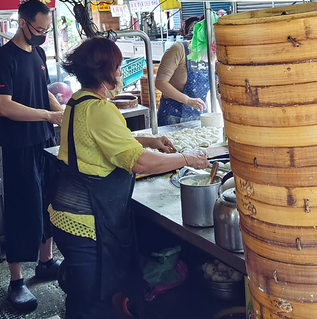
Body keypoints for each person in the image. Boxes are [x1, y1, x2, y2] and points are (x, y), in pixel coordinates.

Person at [50, 37, 209, 319]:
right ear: (104, 72)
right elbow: (139, 163)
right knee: (93, 301)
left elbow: (100, 141)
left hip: (66, 214)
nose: (122, 74)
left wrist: (149, 140)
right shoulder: (101, 110)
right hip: (85, 221)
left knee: (81, 293)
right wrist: (189, 159)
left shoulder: (77, 101)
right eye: (119, 68)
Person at [0, 0, 66, 313]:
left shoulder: (39, 53)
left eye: (47, 29)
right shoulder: (4, 59)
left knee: (48, 201)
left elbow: (41, 89)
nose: (42, 35)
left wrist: (62, 111)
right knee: (22, 209)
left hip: (43, 141)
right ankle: (16, 282)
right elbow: (3, 106)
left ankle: (45, 262)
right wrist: (47, 116)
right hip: (18, 145)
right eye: (38, 29)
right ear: (22, 23)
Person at [155, 16, 209, 125]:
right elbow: (160, 82)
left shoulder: (213, 55)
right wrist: (187, 100)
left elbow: (219, 89)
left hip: (200, 116)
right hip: (173, 117)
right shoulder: (179, 50)